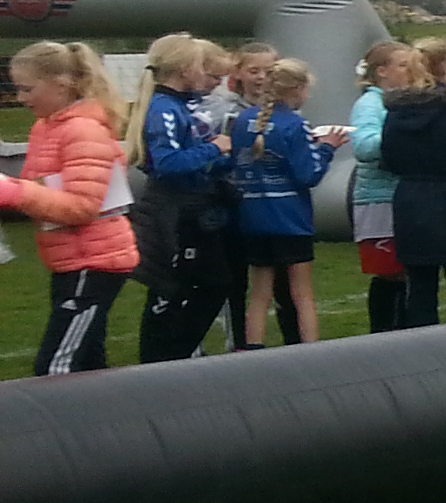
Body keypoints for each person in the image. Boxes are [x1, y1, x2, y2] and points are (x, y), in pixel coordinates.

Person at [1, 40, 141, 375]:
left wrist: (11, 190)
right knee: (87, 363)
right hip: (73, 260)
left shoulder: (82, 130)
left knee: (55, 367)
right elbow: (47, 190)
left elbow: (82, 207)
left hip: (94, 262)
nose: (21, 98)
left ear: (61, 85)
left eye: (27, 89)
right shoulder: (48, 127)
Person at [133, 35, 242, 363]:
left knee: (214, 283)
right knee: (171, 289)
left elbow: (195, 159)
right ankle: (158, 361)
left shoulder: (180, 106)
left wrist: (231, 156)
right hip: (172, 212)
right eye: (202, 68)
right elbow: (167, 164)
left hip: (191, 207)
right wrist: (214, 148)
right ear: (185, 70)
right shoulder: (164, 108)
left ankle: (173, 357)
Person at [228, 60, 341, 350]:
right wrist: (327, 148)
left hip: (253, 215)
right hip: (289, 217)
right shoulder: (295, 124)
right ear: (297, 89)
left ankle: (253, 348)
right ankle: (310, 350)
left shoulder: (243, 120)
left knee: (260, 293)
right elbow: (308, 174)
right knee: (301, 293)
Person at [382, 47, 446, 328]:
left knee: (420, 287)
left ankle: (422, 344)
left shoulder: (395, 114)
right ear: (444, 69)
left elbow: (389, 159)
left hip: (410, 201)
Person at [347, 40, 423, 334]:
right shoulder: (370, 104)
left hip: (404, 197)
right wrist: (404, 136)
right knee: (390, 273)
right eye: (403, 65)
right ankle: (383, 335)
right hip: (379, 200)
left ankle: (405, 333)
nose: (410, 70)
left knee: (409, 272)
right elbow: (364, 146)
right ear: (381, 71)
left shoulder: (406, 100)